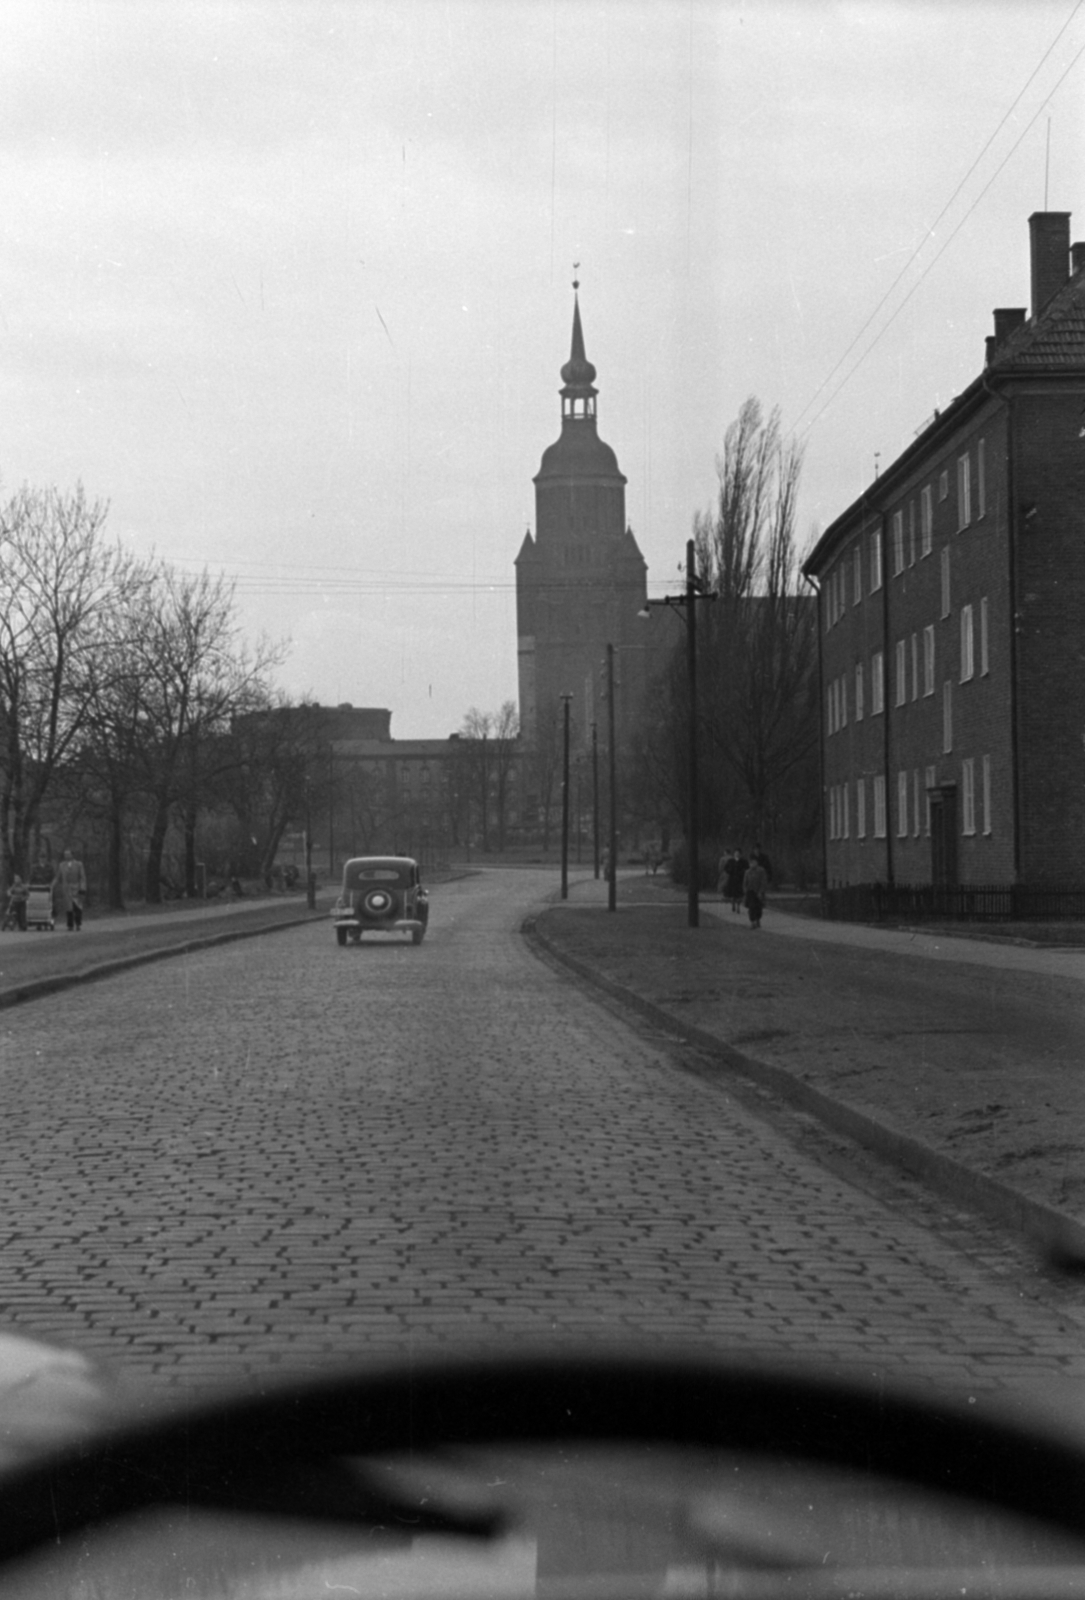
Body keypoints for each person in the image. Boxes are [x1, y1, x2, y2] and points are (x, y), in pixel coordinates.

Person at [53, 848, 87, 931]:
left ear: (72, 855)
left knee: (77, 906)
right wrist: (51, 886)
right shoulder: (61, 865)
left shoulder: (79, 864)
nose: (66, 856)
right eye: (65, 854)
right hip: (66, 888)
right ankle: (70, 925)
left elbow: (82, 877)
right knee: (69, 907)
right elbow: (57, 877)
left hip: (76, 887)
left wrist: (82, 888)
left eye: (68, 854)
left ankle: (78, 924)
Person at [743, 854, 768, 929]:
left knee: (758, 907)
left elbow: (763, 882)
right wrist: (745, 891)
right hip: (750, 892)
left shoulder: (761, 870)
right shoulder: (747, 872)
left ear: (757, 862)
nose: (751, 864)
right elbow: (745, 882)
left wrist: (761, 892)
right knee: (751, 907)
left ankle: (758, 919)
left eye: (753, 862)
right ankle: (752, 921)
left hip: (759, 891)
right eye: (750, 862)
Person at [720, 848, 748, 913]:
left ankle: (738, 906)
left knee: (739, 894)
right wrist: (730, 871)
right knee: (732, 894)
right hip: (732, 879)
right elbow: (726, 868)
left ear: (741, 854)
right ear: (734, 854)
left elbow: (747, 868)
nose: (737, 855)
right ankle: (733, 904)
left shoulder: (744, 861)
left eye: (738, 853)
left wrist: (742, 872)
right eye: (736, 853)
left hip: (740, 879)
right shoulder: (730, 861)